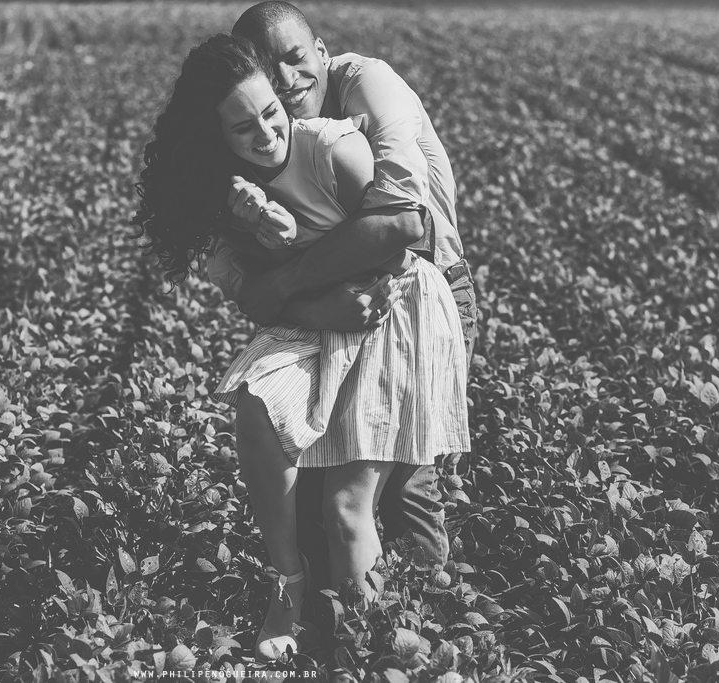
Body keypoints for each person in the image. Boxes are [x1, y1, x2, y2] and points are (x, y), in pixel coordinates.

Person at [133, 34, 469, 663]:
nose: (266, 132)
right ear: (217, 137)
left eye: (270, 113)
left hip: (398, 308)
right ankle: (299, 591)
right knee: (260, 407)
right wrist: (269, 244)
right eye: (243, 127)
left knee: (369, 502)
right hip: (320, 323)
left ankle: (405, 639)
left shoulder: (337, 133)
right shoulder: (222, 194)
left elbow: (402, 236)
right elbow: (256, 298)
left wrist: (289, 252)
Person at [208, 2, 479, 585]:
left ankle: (419, 618)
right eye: (267, 68)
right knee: (319, 478)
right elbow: (246, 288)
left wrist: (287, 278)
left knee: (405, 486)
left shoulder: (366, 86)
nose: (285, 80)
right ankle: (335, 613)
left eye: (296, 58)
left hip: (420, 294)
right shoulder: (260, 134)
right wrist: (303, 294)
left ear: (323, 52)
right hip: (330, 309)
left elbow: (402, 223)